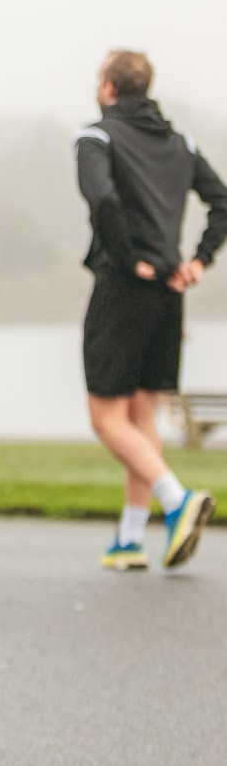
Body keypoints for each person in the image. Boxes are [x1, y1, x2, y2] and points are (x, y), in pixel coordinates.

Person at [75, 50, 227, 572]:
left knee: (106, 419)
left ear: (109, 88)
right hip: (169, 294)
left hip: (125, 288)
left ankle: (177, 500)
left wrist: (128, 260)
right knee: (142, 419)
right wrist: (197, 262)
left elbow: (104, 201)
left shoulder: (95, 138)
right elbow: (222, 201)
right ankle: (130, 540)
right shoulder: (180, 143)